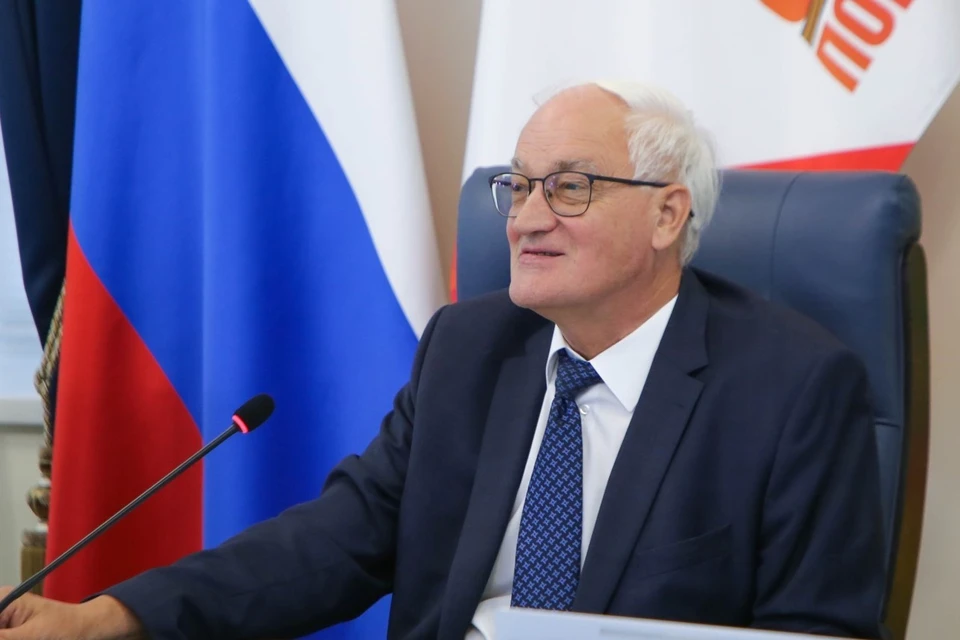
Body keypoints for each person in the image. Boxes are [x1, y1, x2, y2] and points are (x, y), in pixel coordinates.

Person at [0, 81, 887, 640]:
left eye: (569, 188)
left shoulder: (794, 390)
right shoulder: (470, 348)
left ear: (666, 214)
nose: (525, 219)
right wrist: (113, 616)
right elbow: (333, 544)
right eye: (519, 185)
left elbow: (816, 628)